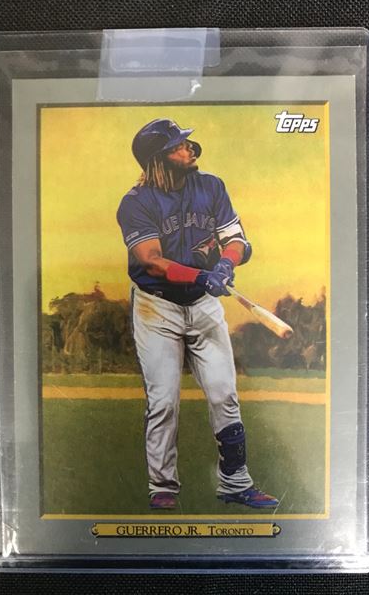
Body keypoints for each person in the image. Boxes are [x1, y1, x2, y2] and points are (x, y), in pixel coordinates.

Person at [116, 118, 279, 510]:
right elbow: (152, 261)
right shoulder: (136, 203)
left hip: (204, 303)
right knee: (163, 401)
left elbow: (236, 239)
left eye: (187, 143)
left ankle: (235, 483)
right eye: (178, 145)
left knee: (224, 393)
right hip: (157, 307)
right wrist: (200, 274)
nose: (189, 148)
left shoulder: (211, 186)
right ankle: (162, 486)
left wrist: (225, 264)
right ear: (158, 159)